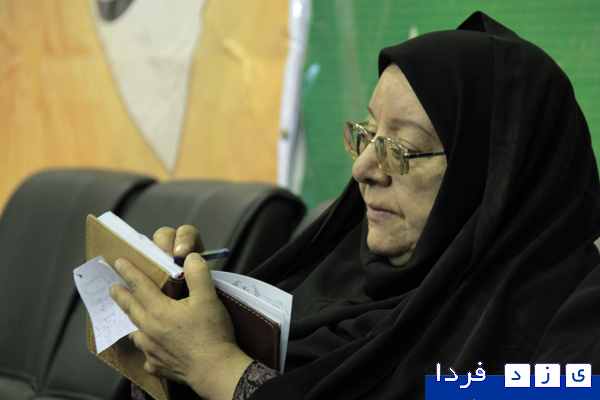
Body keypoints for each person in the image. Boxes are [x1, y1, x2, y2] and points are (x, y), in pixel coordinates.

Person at [109, 11, 600, 399]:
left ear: (491, 179)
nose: (363, 169)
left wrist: (218, 370)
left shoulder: (565, 334)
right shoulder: (331, 277)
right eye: (367, 134)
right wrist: (172, 325)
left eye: (400, 149)